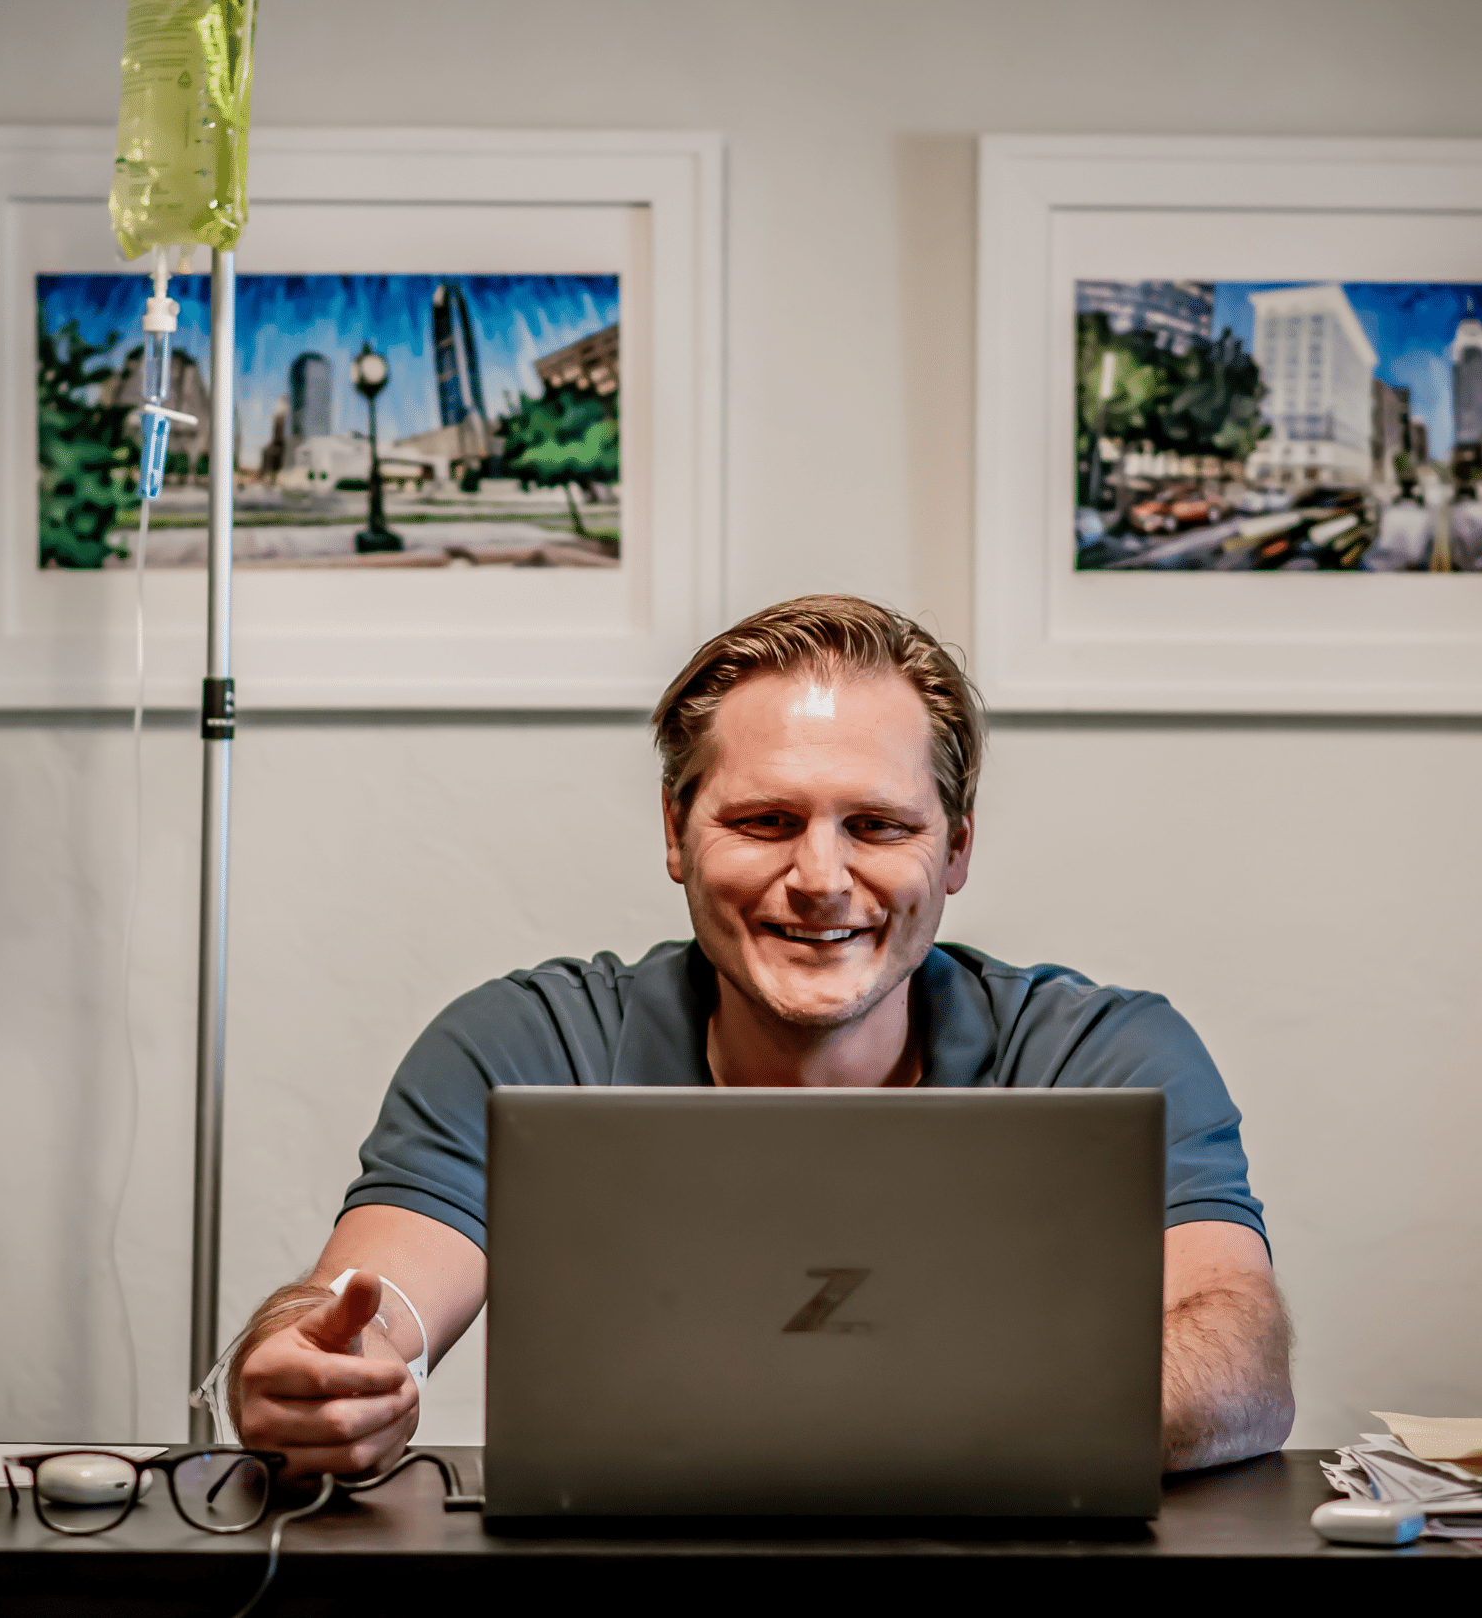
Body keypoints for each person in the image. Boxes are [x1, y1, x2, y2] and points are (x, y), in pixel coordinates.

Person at [230, 596, 1294, 1478]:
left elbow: (1238, 1362)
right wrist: (303, 1367)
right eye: (765, 822)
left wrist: (840, 1423)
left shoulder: (1107, 1056)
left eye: (877, 826)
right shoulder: (522, 1042)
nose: (822, 881)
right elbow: (361, 1309)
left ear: (957, 848)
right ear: (674, 834)